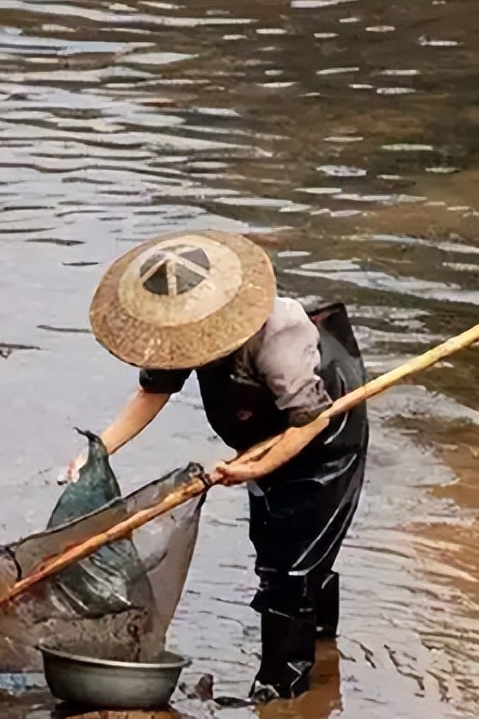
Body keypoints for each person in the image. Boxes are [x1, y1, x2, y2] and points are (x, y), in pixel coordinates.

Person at [80, 229, 369, 702]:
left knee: (290, 565)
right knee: (277, 542)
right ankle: (321, 643)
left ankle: (284, 692)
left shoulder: (279, 332)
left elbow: (309, 422)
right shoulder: (180, 330)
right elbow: (153, 392)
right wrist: (99, 449)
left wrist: (256, 470)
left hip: (323, 430)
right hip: (263, 435)